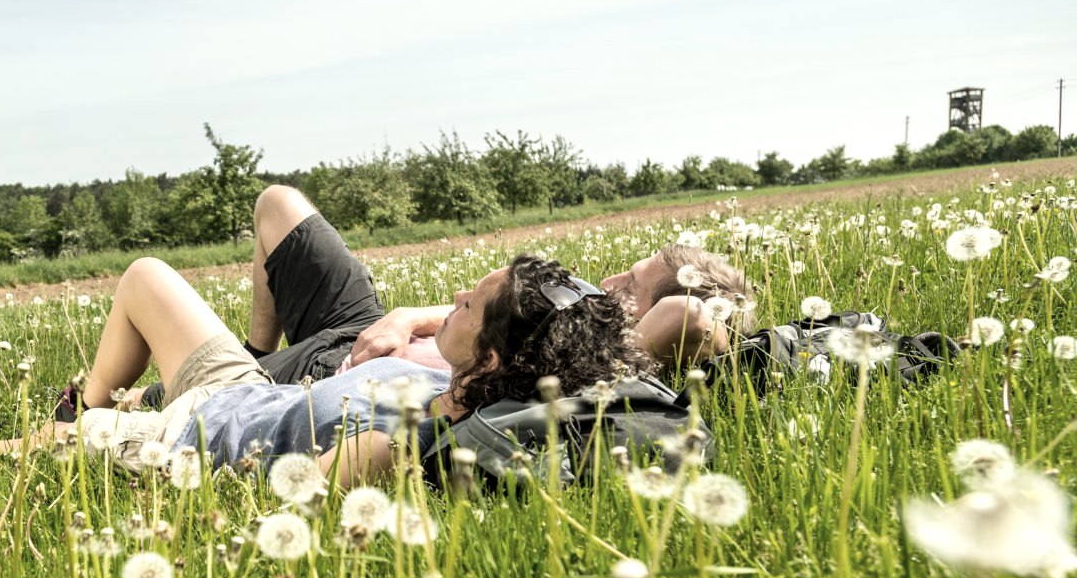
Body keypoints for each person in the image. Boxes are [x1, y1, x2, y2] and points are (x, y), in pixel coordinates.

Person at [0, 244, 664, 490]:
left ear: (489, 357)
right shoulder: (466, 380)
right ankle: (80, 406)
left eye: (466, 305)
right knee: (146, 277)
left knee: (51, 450)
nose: (450, 299)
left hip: (189, 441)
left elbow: (301, 491)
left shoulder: (419, 439)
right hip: (245, 391)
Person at [124, 185, 753, 409]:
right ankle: (256, 351)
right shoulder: (574, 308)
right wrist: (406, 317)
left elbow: (694, 320)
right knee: (279, 205)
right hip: (371, 328)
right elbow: (478, 310)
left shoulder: (599, 366)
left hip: (336, 374)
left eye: (631, 287)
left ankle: (118, 402)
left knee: (153, 399)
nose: (610, 281)